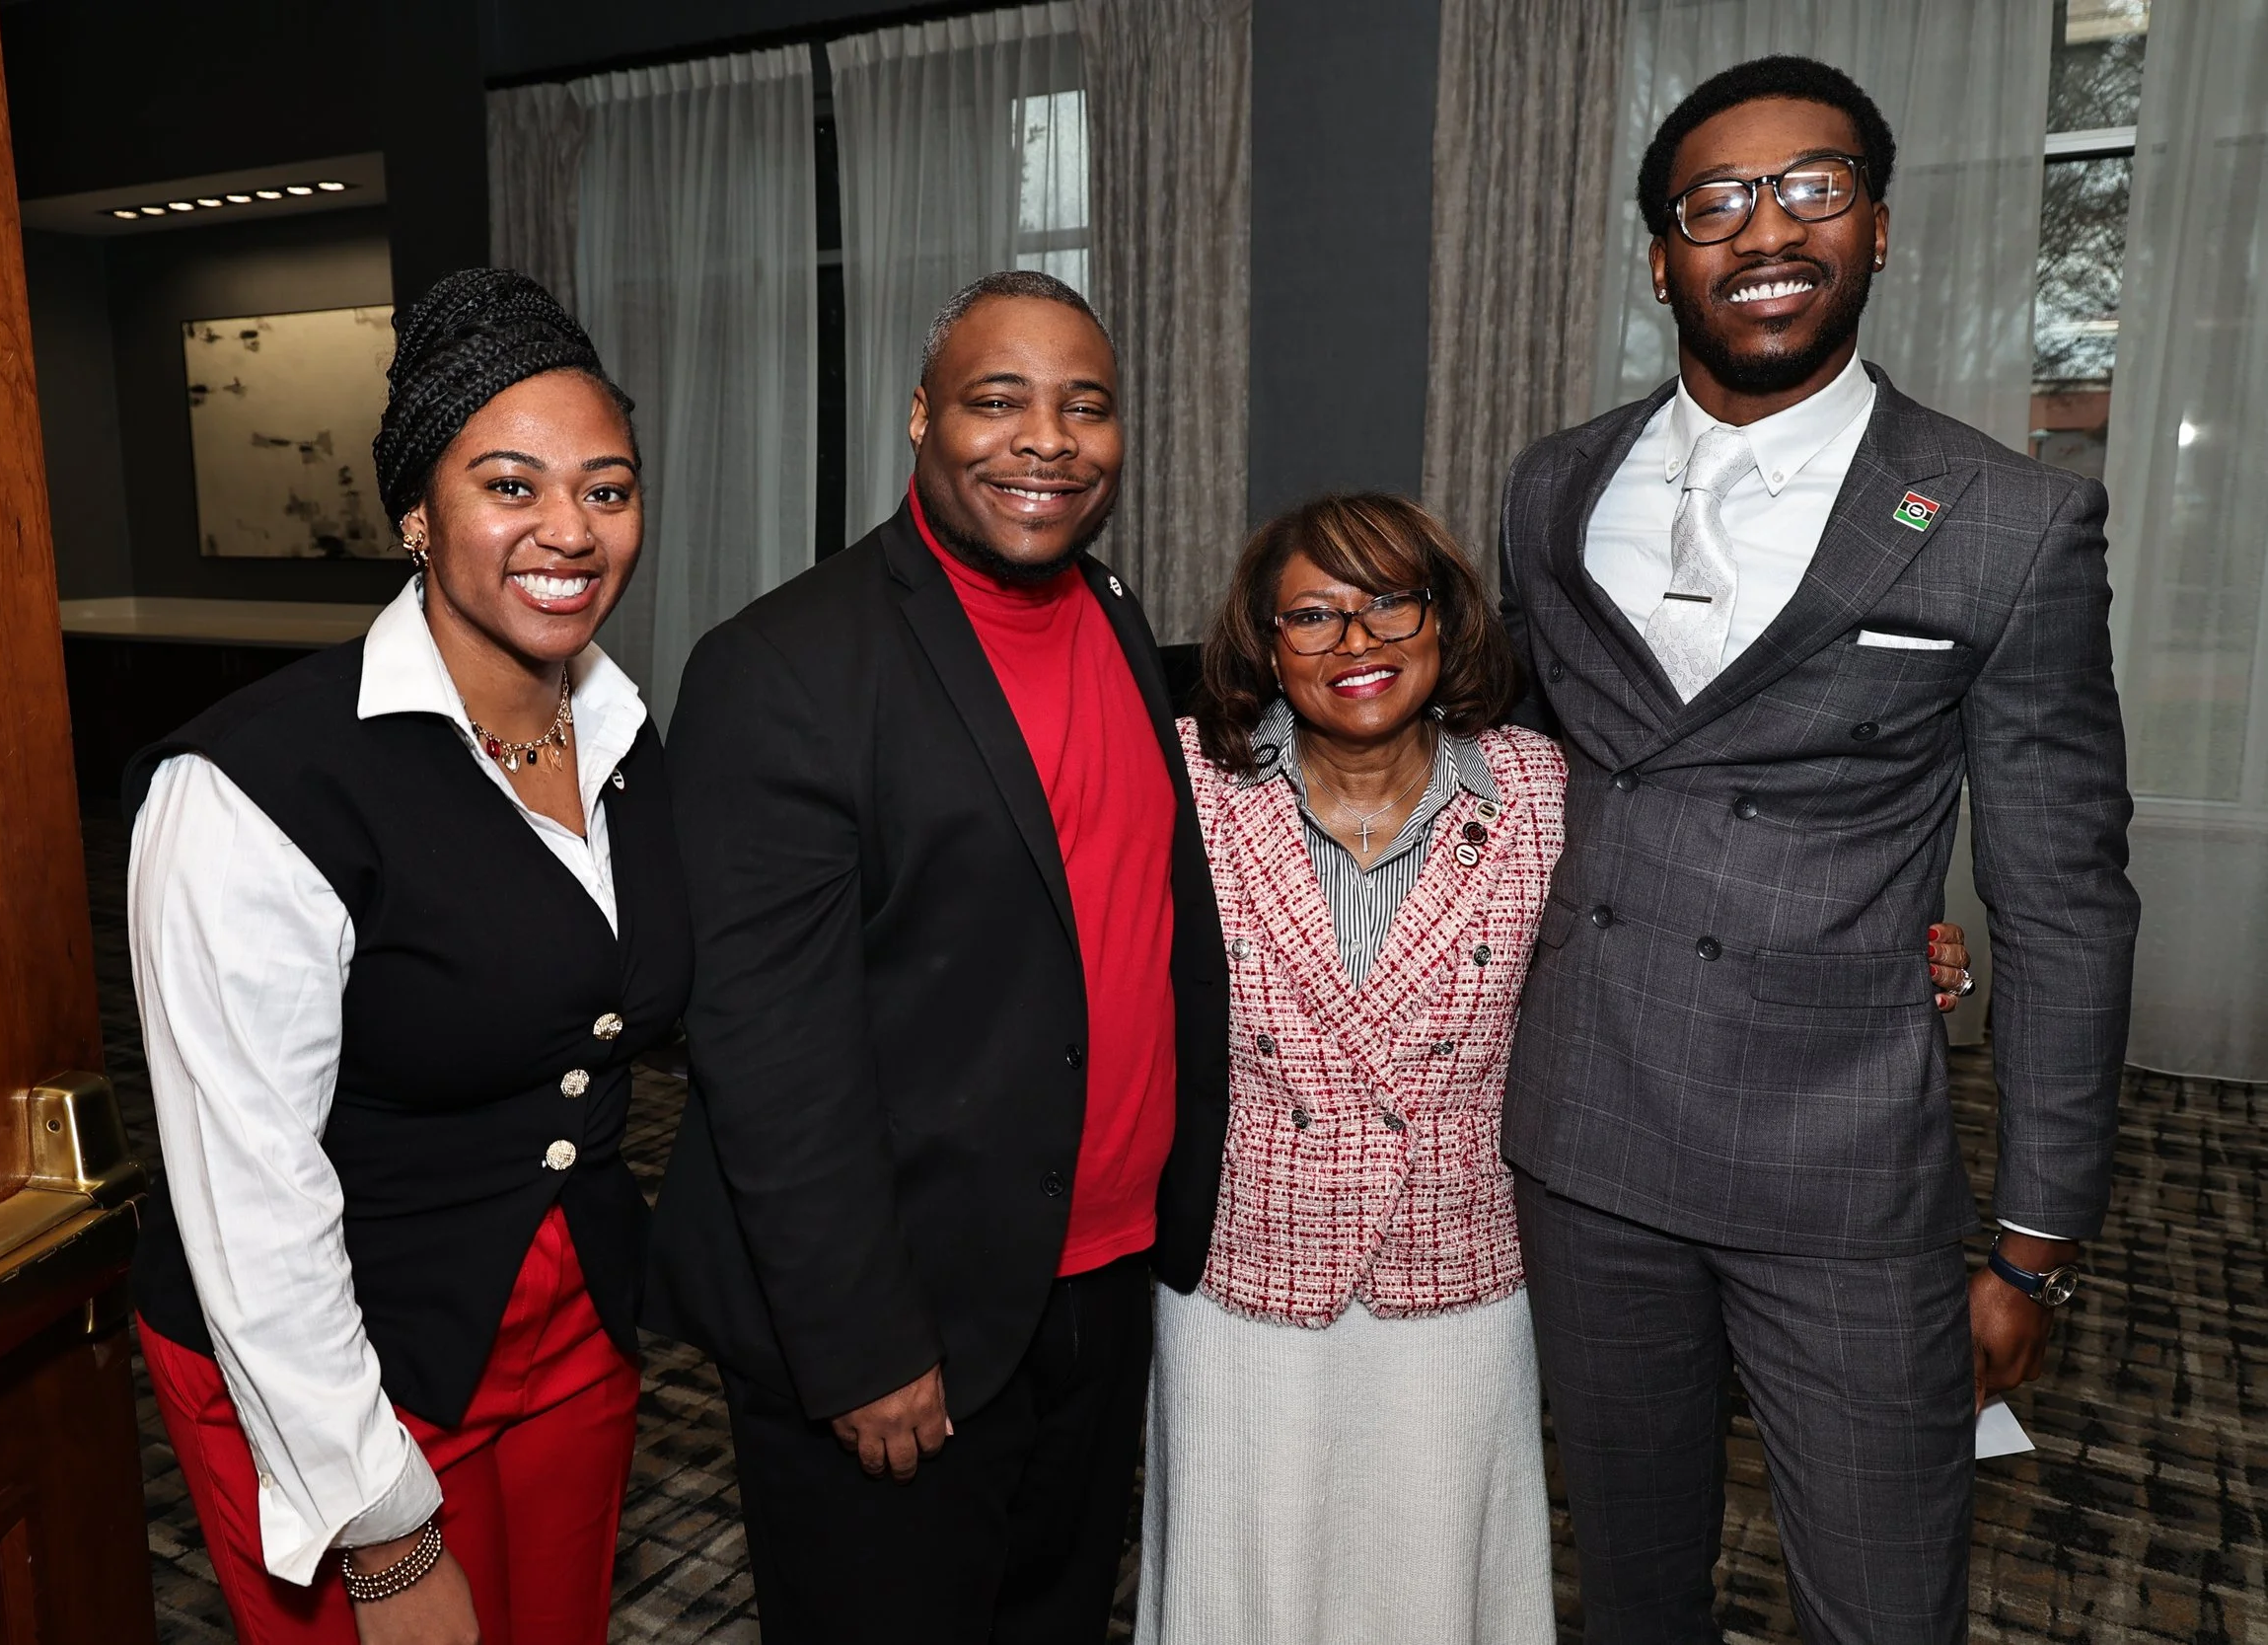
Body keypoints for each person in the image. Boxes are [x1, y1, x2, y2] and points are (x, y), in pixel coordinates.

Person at [1496, 56, 2138, 1644]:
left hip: (1841, 1169)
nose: (1764, 227)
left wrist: (2036, 1238)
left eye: (1812, 186)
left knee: (1881, 1600)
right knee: (1632, 1584)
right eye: (1714, 201)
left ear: (1879, 228)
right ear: (1661, 256)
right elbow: (1504, 773)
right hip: (1587, 1138)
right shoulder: (1555, 486)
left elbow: (2060, 894)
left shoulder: (1999, 516)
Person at [1135, 494, 1974, 1645]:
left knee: (1436, 1573)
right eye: (1313, 616)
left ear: (1445, 619)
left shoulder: (1545, 785)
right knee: (1245, 1576)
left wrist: (1891, 956)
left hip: (1461, 1264)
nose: (1358, 641)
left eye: (1390, 601)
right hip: (1247, 1265)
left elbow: (1704, 910)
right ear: (1264, 645)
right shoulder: (1183, 781)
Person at [646, 269, 1228, 1644]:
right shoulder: (783, 663)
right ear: (920, 417)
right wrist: (862, 1342)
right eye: (997, 399)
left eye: (1085, 406)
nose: (1047, 438)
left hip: (1096, 1273)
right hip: (904, 1309)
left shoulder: (1116, 612)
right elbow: (768, 1048)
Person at [126, 268, 689, 1645]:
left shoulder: (622, 734)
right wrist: (379, 1533)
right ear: (417, 517)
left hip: (568, 1323)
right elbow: (250, 1194)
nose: (570, 528)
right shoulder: (256, 784)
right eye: (512, 485)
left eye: (607, 489)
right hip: (323, 1358)